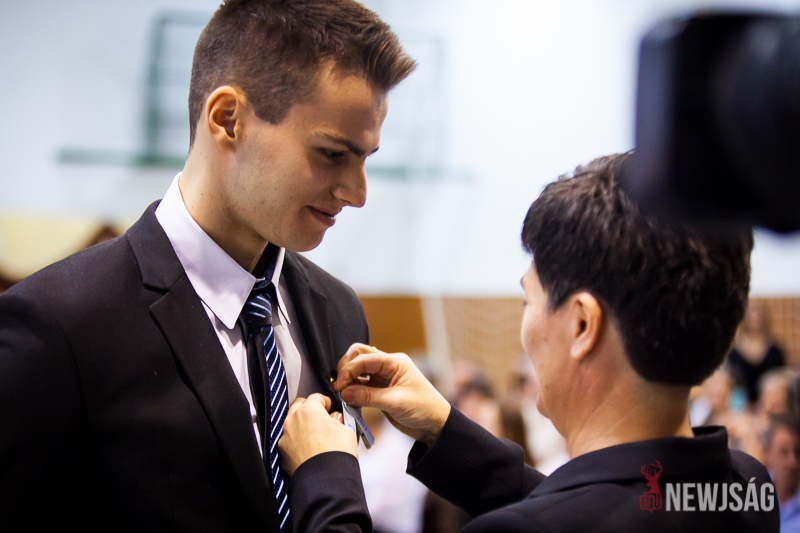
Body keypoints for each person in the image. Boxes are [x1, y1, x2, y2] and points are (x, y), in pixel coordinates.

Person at [0, 1, 414, 531]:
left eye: (366, 159)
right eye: (332, 154)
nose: (357, 194)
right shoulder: (59, 327)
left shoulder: (337, 310)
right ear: (227, 119)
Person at [278, 153, 779, 532]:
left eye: (528, 300)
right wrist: (444, 428)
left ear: (581, 325)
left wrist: (328, 477)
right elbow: (588, 506)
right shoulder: (744, 487)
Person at [727, 300, 786, 405]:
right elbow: (730, 381)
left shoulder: (775, 351)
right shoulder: (734, 352)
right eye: (752, 318)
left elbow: (781, 379)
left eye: (758, 317)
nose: (755, 321)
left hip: (771, 404)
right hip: (740, 405)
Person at [762, 415, 800, 531]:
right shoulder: (755, 495)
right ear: (767, 454)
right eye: (784, 452)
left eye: (798, 452)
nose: (793, 462)